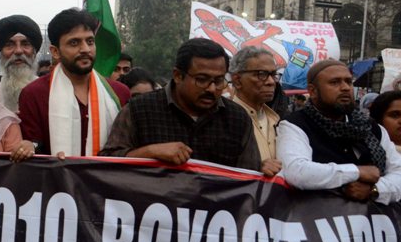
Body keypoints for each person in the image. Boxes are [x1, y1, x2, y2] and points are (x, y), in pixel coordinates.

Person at [99, 38, 261, 172]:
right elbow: (105, 164)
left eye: (218, 81)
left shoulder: (237, 118)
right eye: (202, 79)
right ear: (178, 76)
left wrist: (264, 170)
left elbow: (250, 178)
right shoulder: (139, 110)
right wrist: (149, 152)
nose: (212, 88)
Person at [277, 60, 401, 203]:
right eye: (334, 82)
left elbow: (398, 172)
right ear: (313, 91)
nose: (345, 88)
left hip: (373, 215)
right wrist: (357, 172)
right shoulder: (295, 124)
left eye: (348, 82)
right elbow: (296, 172)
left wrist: (374, 190)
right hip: (316, 214)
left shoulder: (371, 128)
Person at [18, 8, 130, 157]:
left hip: (107, 172)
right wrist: (29, 146)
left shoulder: (118, 93)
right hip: (56, 172)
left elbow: (127, 147)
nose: (85, 49)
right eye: (74, 43)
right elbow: (34, 146)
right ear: (55, 51)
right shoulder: (34, 94)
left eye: (90, 41)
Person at [228, 46, 282, 176]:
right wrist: (255, 166)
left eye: (274, 75)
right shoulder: (223, 120)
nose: (271, 82)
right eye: (261, 74)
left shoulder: (278, 120)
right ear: (237, 80)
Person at [0, 14, 42, 112]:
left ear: (34, 52)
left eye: (25, 44)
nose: (18, 51)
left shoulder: (47, 91)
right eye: (9, 45)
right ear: (0, 53)